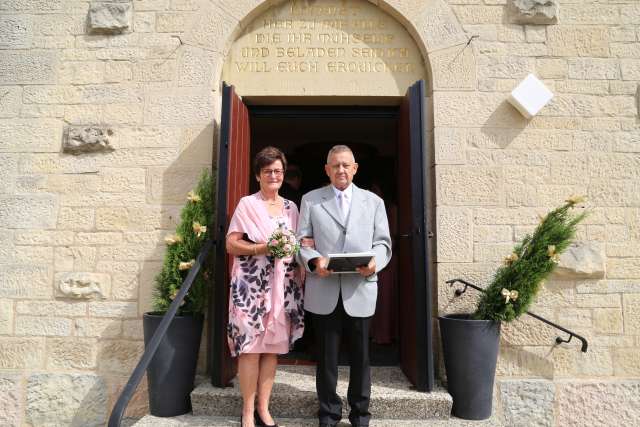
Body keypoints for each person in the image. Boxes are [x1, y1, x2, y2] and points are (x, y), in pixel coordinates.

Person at [297, 145, 392, 427]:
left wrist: (375, 262)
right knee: (326, 358)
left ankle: (360, 414)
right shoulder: (311, 200)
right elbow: (302, 241)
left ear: (355, 169)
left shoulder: (373, 202)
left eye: (345, 165)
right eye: (335, 165)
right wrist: (314, 262)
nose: (341, 170)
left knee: (361, 357)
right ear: (327, 170)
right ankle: (328, 414)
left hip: (360, 289)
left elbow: (383, 243)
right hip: (324, 289)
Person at [226, 146, 305, 427]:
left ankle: (264, 409)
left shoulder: (291, 208)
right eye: (268, 171)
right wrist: (263, 247)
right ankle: (247, 412)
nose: (274, 175)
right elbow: (231, 243)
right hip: (251, 287)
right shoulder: (248, 204)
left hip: (283, 286)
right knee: (250, 348)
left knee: (272, 349)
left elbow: (298, 244)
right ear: (258, 175)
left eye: (278, 171)